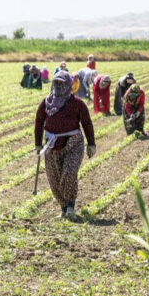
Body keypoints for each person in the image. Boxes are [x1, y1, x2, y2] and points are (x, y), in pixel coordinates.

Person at [34, 72, 96, 220]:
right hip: (51, 145)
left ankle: (70, 206)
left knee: (69, 172)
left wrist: (91, 144)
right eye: (56, 83)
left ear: (69, 85)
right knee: (54, 177)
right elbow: (38, 122)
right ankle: (63, 208)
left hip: (73, 142)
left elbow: (87, 123)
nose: (59, 86)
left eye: (62, 84)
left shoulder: (77, 104)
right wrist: (38, 144)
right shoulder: (46, 102)